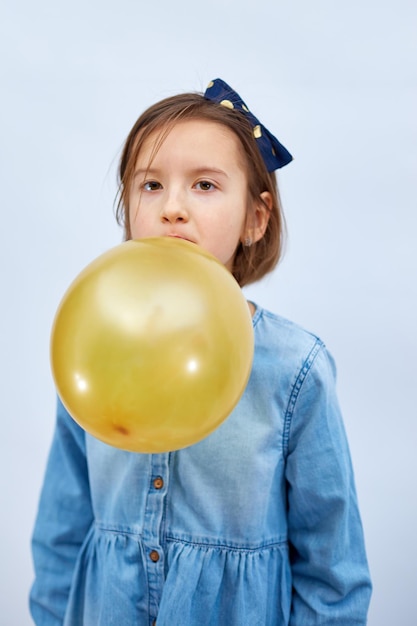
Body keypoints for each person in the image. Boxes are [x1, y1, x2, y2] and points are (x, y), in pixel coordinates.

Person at [30, 78, 372, 625]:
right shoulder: (89, 345)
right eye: (150, 186)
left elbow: (333, 570)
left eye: (205, 186)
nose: (173, 208)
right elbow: (61, 528)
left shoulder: (296, 369)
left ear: (255, 219)